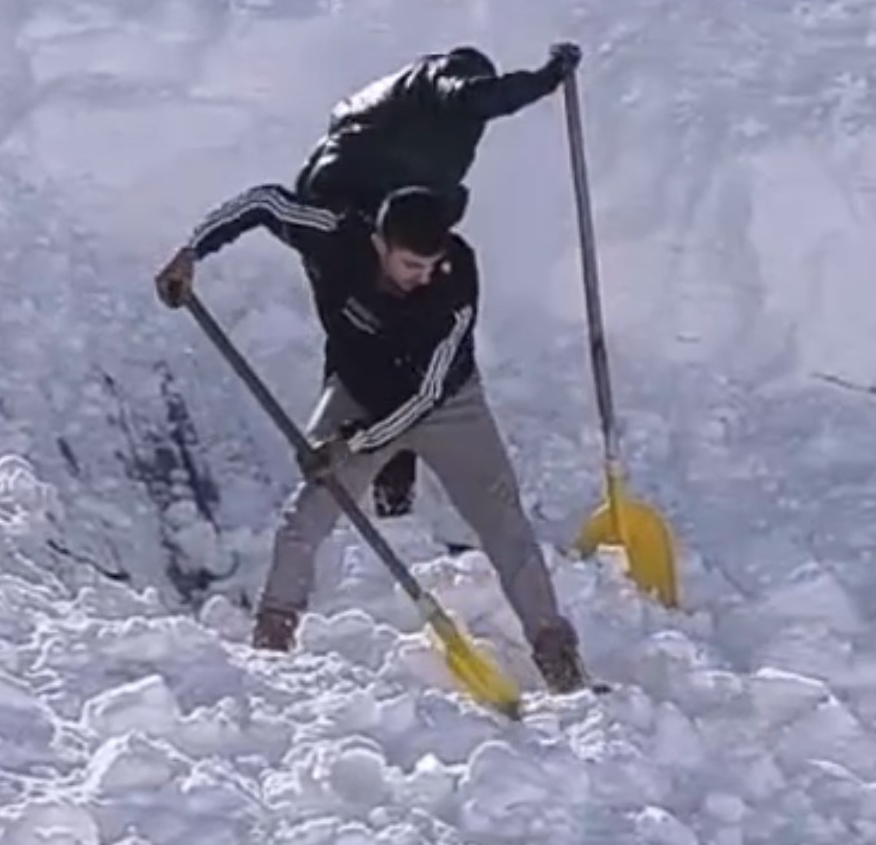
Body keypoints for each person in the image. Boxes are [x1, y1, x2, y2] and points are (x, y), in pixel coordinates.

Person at [153, 182, 586, 694]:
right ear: (380, 244)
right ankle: (271, 644)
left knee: (504, 523)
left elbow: (425, 398)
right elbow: (265, 204)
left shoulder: (454, 282)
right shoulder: (337, 235)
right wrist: (192, 249)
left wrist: (348, 445)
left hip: (447, 405)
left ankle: (558, 659)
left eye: (430, 265)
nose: (422, 278)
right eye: (410, 266)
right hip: (357, 392)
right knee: (304, 519)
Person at [293, 40, 583, 523]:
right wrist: (550, 75)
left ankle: (382, 483)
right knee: (374, 342)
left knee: (373, 340)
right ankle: (368, 474)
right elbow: (484, 97)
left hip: (361, 210)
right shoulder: (439, 85)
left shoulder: (409, 111)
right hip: (345, 210)